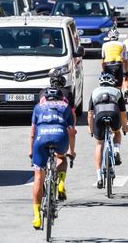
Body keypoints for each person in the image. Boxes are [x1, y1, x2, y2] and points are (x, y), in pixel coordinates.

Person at [30, 87, 76, 229]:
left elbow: (32, 132)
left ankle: (37, 216)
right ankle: (61, 182)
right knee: (61, 157)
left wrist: (31, 152)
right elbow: (72, 132)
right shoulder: (66, 107)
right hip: (60, 137)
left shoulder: (38, 107)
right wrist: (71, 152)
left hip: (41, 139)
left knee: (38, 176)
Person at [88, 72, 128, 189]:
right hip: (113, 114)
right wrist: (125, 127)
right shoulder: (117, 91)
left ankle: (99, 176)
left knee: (99, 144)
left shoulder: (95, 92)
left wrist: (91, 130)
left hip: (99, 116)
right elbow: (123, 114)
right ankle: (116, 150)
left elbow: (90, 114)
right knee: (117, 132)